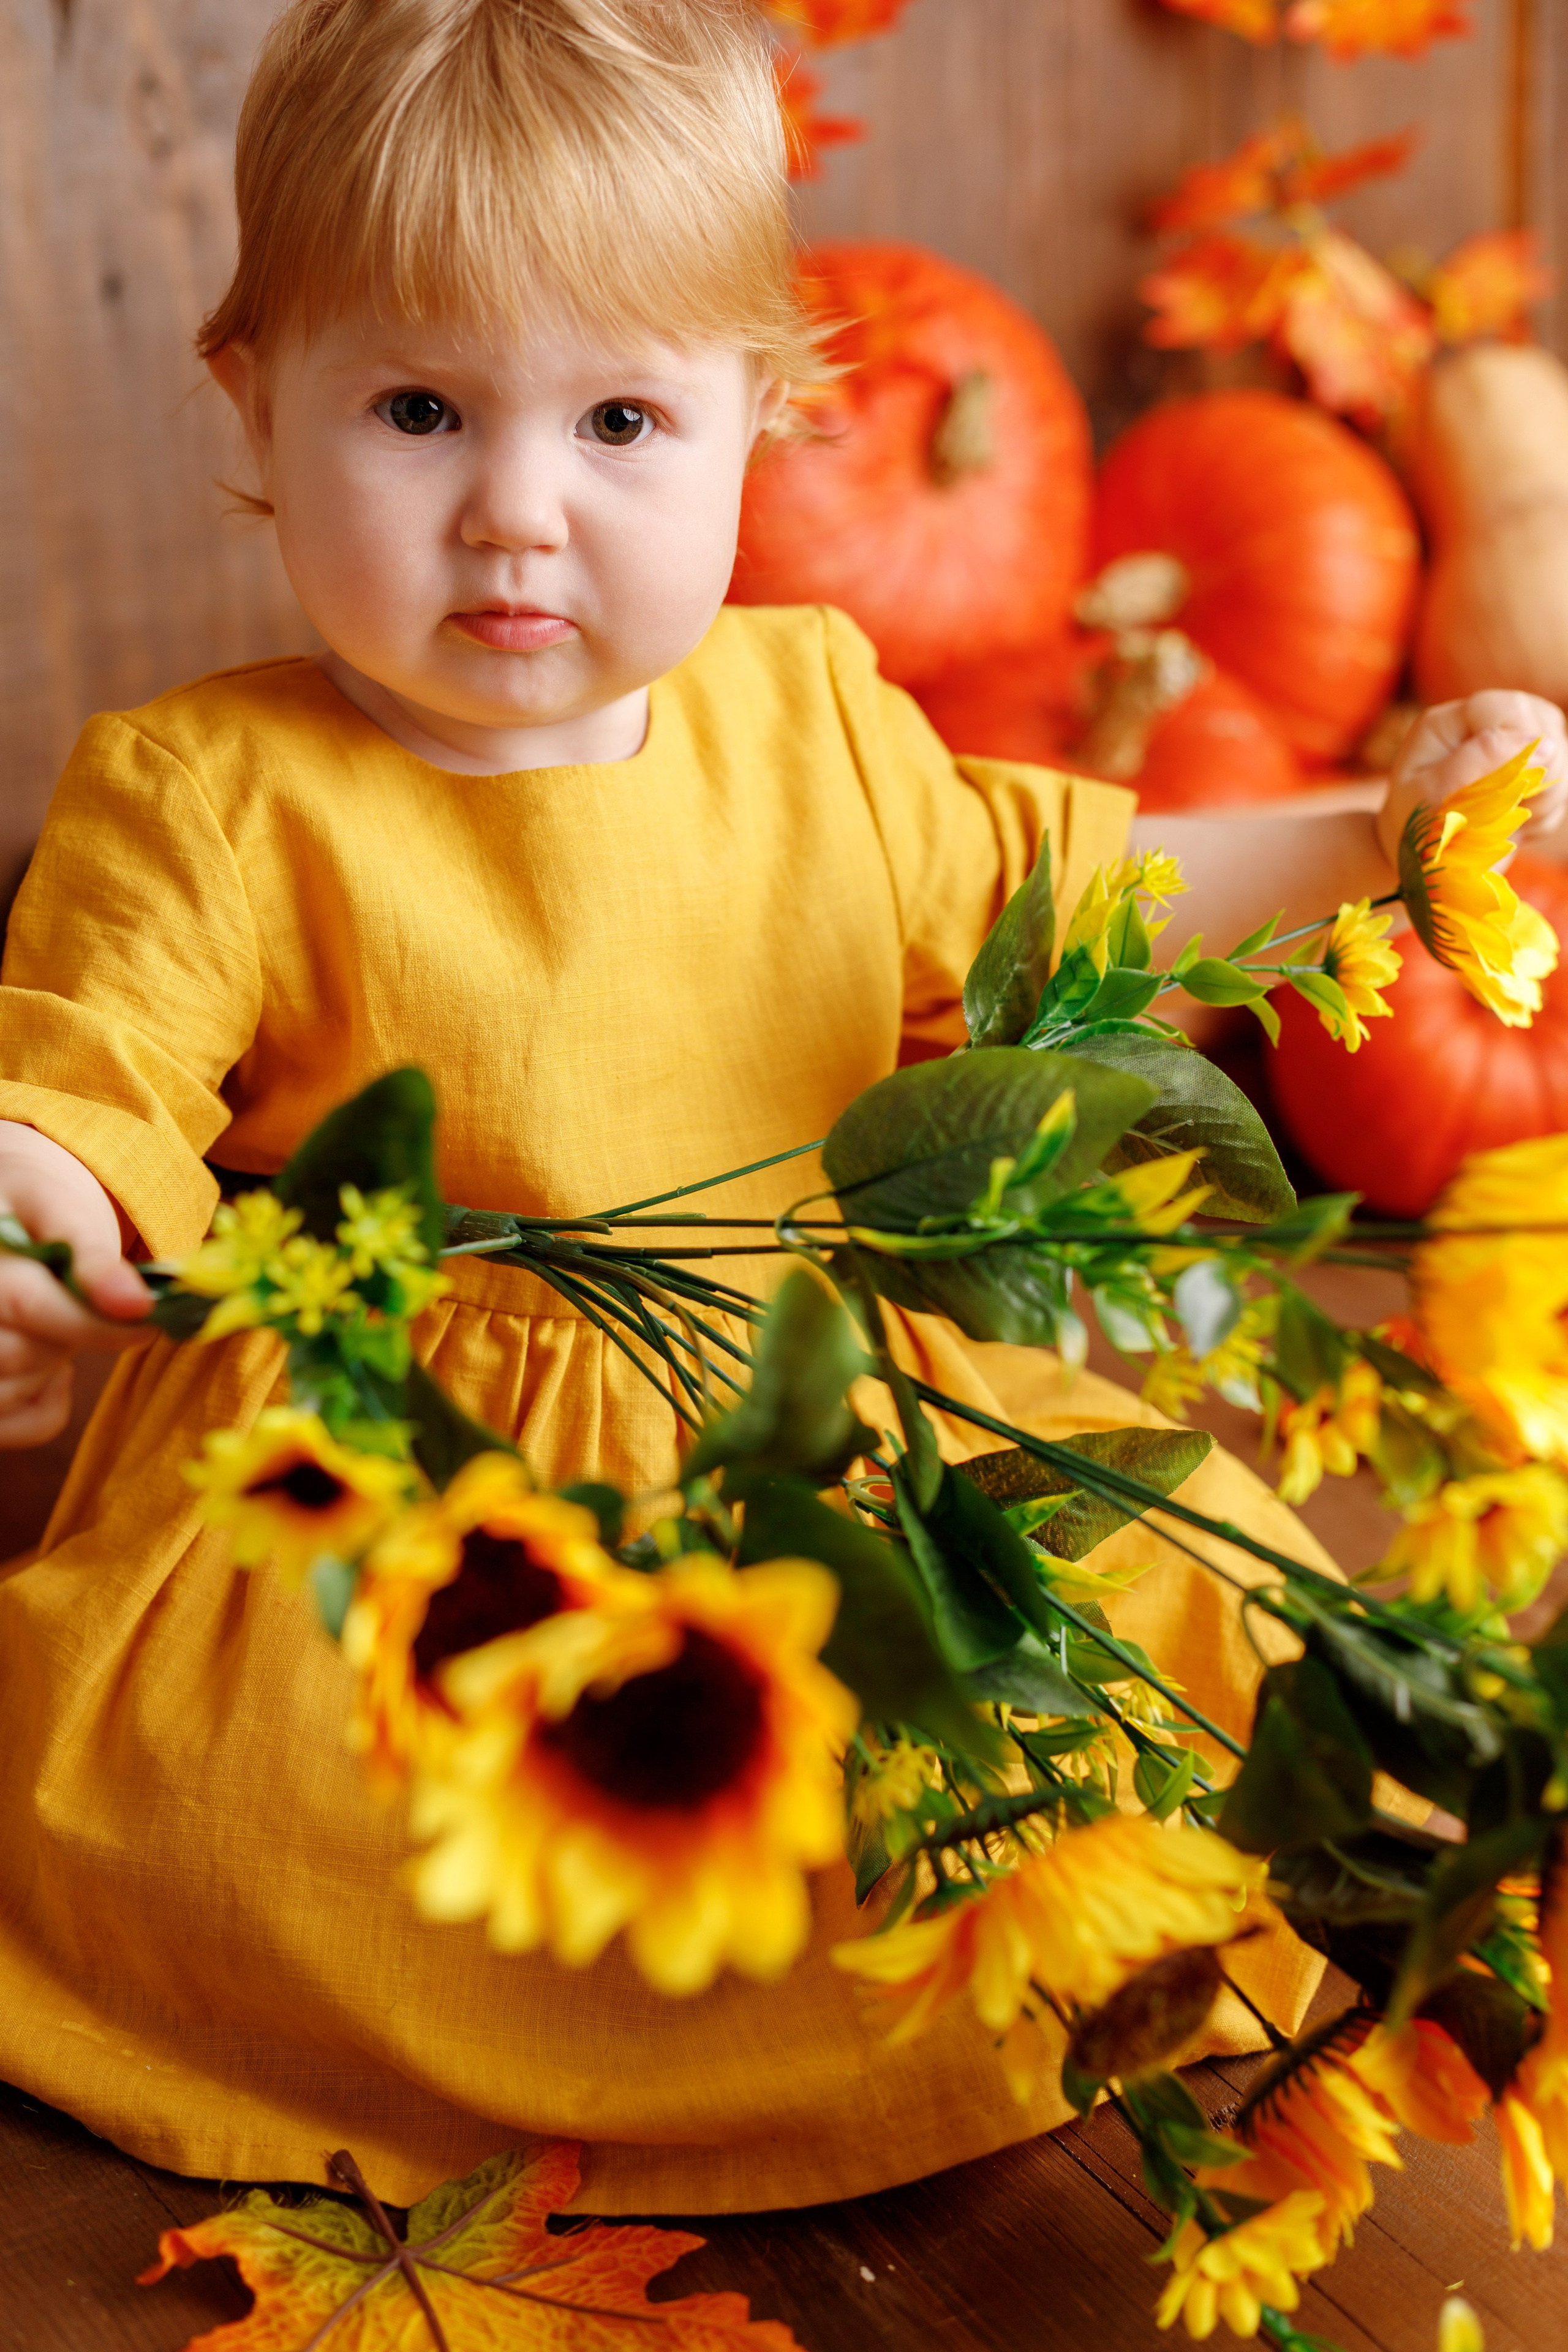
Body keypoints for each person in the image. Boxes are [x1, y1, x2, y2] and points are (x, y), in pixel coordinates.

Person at [0, 0, 1562, 2214]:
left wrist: (1371, 826)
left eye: (620, 418)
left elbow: (1091, 903)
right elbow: (92, 1065)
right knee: (264, 1833)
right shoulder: (212, 791)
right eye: (419, 409)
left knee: (1184, 1625)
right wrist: (41, 1218)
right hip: (415, 1502)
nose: (516, 512)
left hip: (815, 1434)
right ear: (257, 400)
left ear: (764, 412)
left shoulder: (812, 718)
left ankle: (1128, 1928)